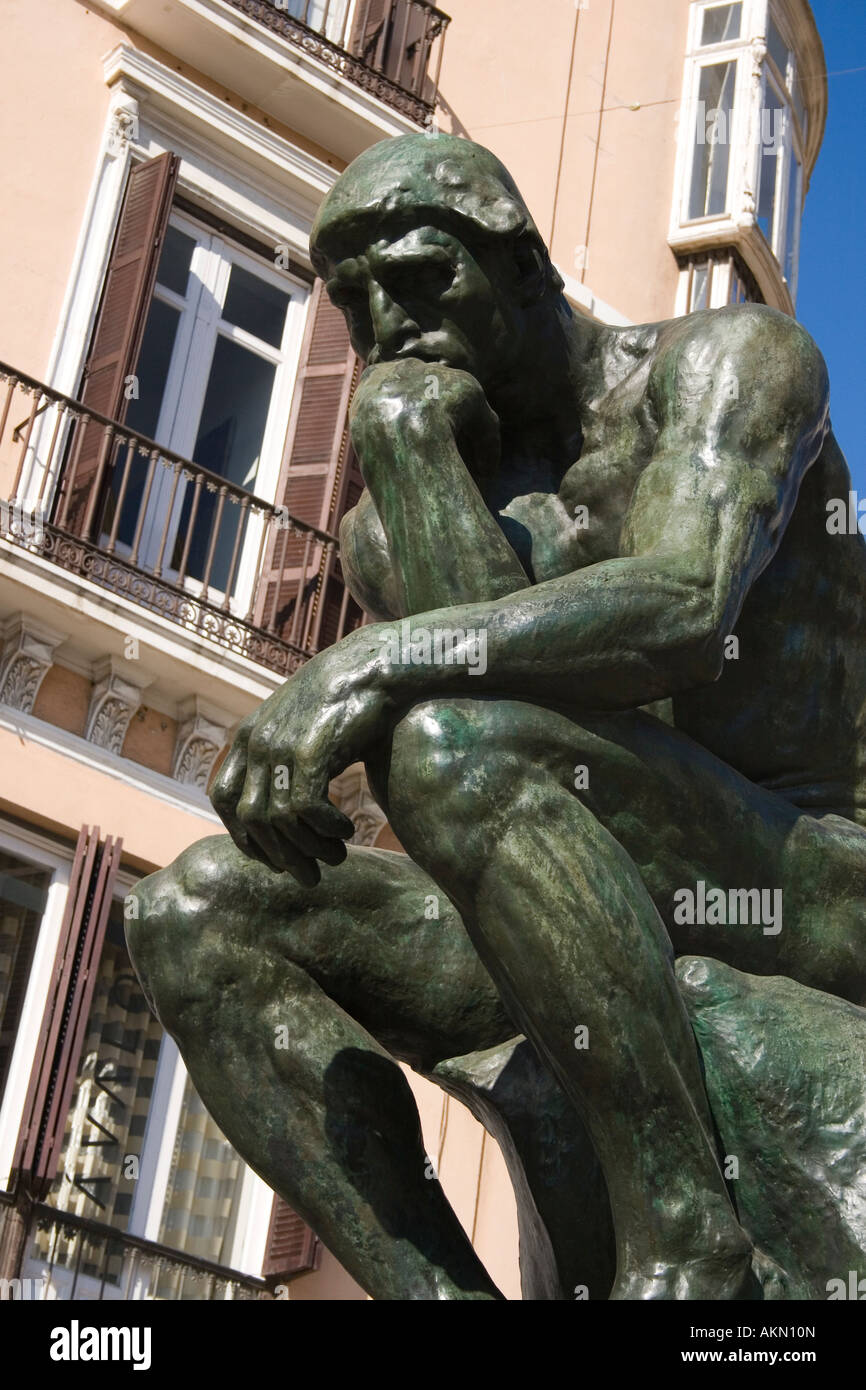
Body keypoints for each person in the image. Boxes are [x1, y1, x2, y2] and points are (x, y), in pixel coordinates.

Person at [128, 133, 866, 1299]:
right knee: (194, 910)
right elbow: (494, 709)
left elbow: (679, 605)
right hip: (582, 892)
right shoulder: (397, 515)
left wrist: (372, 661)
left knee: (442, 744)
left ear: (523, 264)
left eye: (422, 278)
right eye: (356, 302)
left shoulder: (729, 363)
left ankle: (685, 1237)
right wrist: (406, 447)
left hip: (803, 877)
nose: (390, 322)